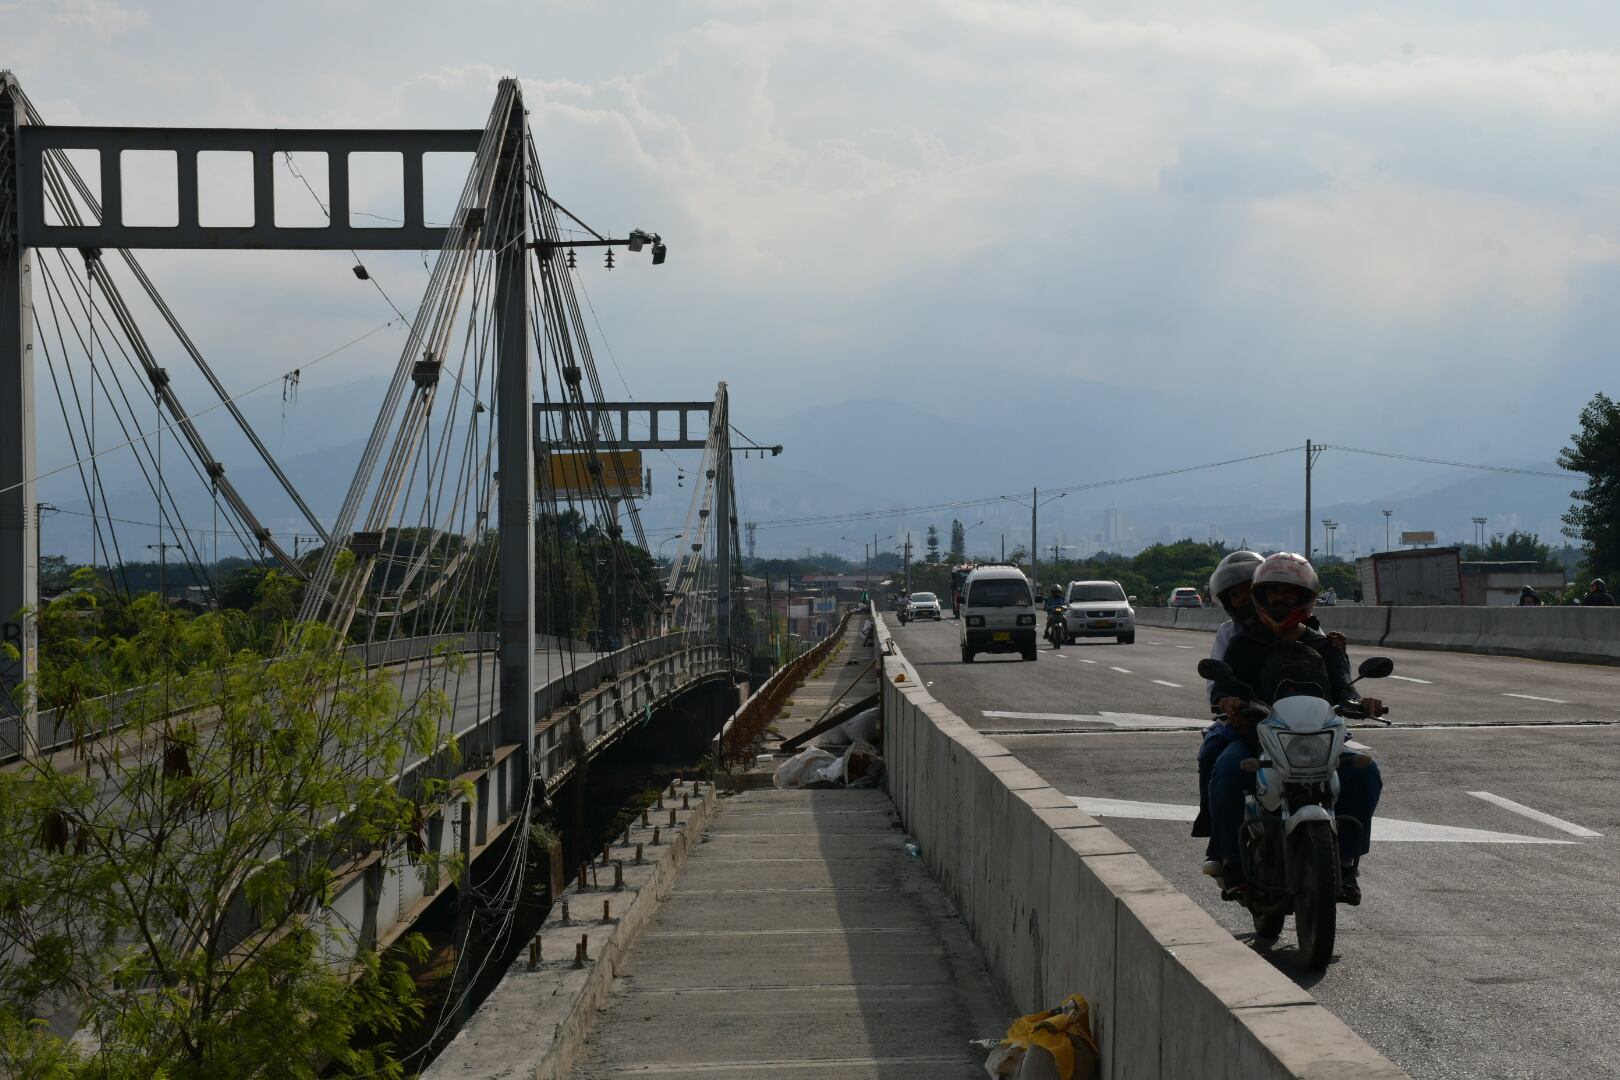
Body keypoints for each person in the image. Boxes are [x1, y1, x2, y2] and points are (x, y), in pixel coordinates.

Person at [1206, 553, 1384, 904]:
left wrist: (1364, 703)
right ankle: (1231, 863)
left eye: (1288, 593)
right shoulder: (1244, 643)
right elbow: (1224, 687)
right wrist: (1228, 701)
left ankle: (1347, 864)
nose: (1279, 601)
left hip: (1319, 740)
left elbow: (1345, 687)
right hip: (1258, 737)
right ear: (1261, 596)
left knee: (1367, 773)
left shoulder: (1325, 646)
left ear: (1305, 598)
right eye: (1271, 593)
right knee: (1227, 768)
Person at [1192, 550, 1264, 870]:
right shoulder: (1232, 635)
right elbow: (1217, 684)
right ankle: (1225, 847)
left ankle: (1345, 859)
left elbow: (1332, 678)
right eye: (1237, 594)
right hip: (1250, 724)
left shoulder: (1309, 630)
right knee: (1220, 758)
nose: (1246, 599)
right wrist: (1226, 700)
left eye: (1253, 589)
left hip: (1300, 727)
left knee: (1360, 769)